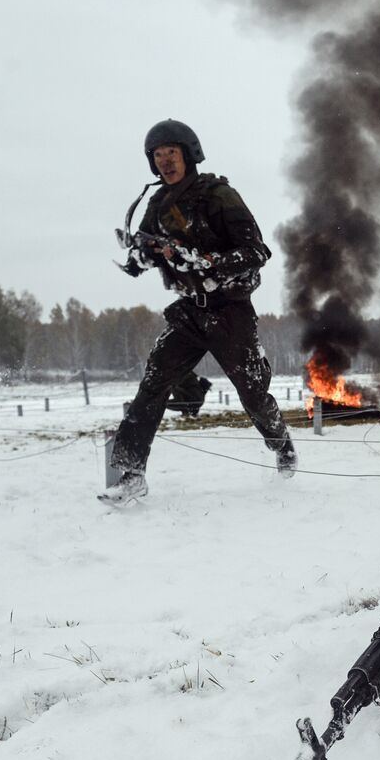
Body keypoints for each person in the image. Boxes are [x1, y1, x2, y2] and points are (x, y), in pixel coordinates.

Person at [102, 119, 295, 503]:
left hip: (230, 311)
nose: (165, 162)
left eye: (171, 153)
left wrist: (204, 261)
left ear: (188, 153)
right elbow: (143, 258)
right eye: (158, 156)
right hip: (189, 312)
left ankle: (283, 448)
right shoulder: (157, 205)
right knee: (153, 385)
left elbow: (257, 253)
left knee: (253, 394)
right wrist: (141, 254)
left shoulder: (218, 195)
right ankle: (131, 473)